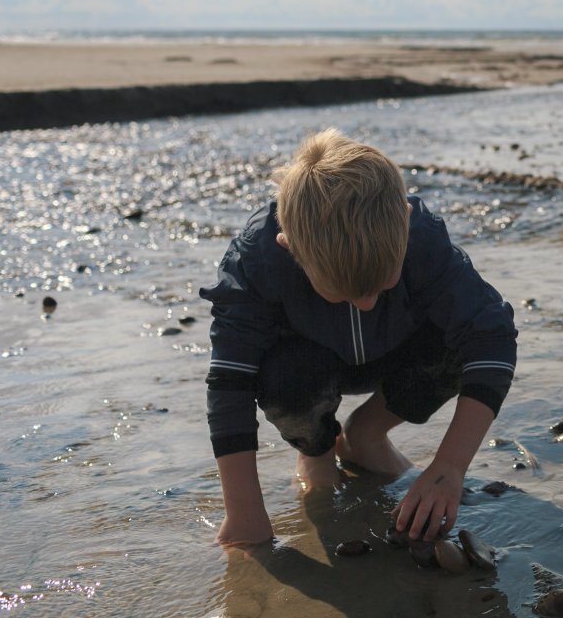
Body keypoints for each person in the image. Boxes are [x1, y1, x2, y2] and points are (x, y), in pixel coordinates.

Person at [202, 128, 517, 547]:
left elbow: (492, 337)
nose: (366, 304)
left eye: (381, 285)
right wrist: (244, 513)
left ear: (404, 220)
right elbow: (230, 383)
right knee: (284, 378)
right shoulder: (256, 260)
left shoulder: (421, 239)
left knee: (461, 346)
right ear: (289, 246)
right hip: (306, 365)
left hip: (398, 352)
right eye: (343, 292)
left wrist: (449, 468)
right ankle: (317, 451)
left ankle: (366, 434)